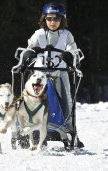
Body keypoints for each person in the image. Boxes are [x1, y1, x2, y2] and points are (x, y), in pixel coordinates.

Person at [22, 2, 84, 148]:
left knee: (66, 98)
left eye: (56, 19)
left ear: (62, 20)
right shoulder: (38, 34)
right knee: (34, 98)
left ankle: (69, 129)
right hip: (40, 72)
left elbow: (73, 50)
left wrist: (70, 56)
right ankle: (31, 126)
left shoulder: (67, 35)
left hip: (60, 72)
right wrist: (30, 53)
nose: (52, 22)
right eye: (49, 19)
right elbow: (28, 48)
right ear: (44, 19)